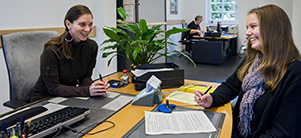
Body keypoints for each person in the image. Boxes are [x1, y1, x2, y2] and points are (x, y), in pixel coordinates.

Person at [194, 4, 301, 138]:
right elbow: (231, 86)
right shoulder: (254, 60)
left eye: (253, 26)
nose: (247, 32)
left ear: (273, 29)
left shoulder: (295, 73)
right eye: (247, 28)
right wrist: (212, 99)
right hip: (237, 130)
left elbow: (282, 133)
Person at [31, 5, 110, 102]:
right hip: (44, 101)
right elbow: (54, 88)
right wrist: (87, 91)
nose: (87, 29)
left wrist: (96, 87)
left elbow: (85, 78)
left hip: (67, 98)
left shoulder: (91, 47)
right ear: (68, 24)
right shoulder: (52, 50)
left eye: (90, 24)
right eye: (82, 24)